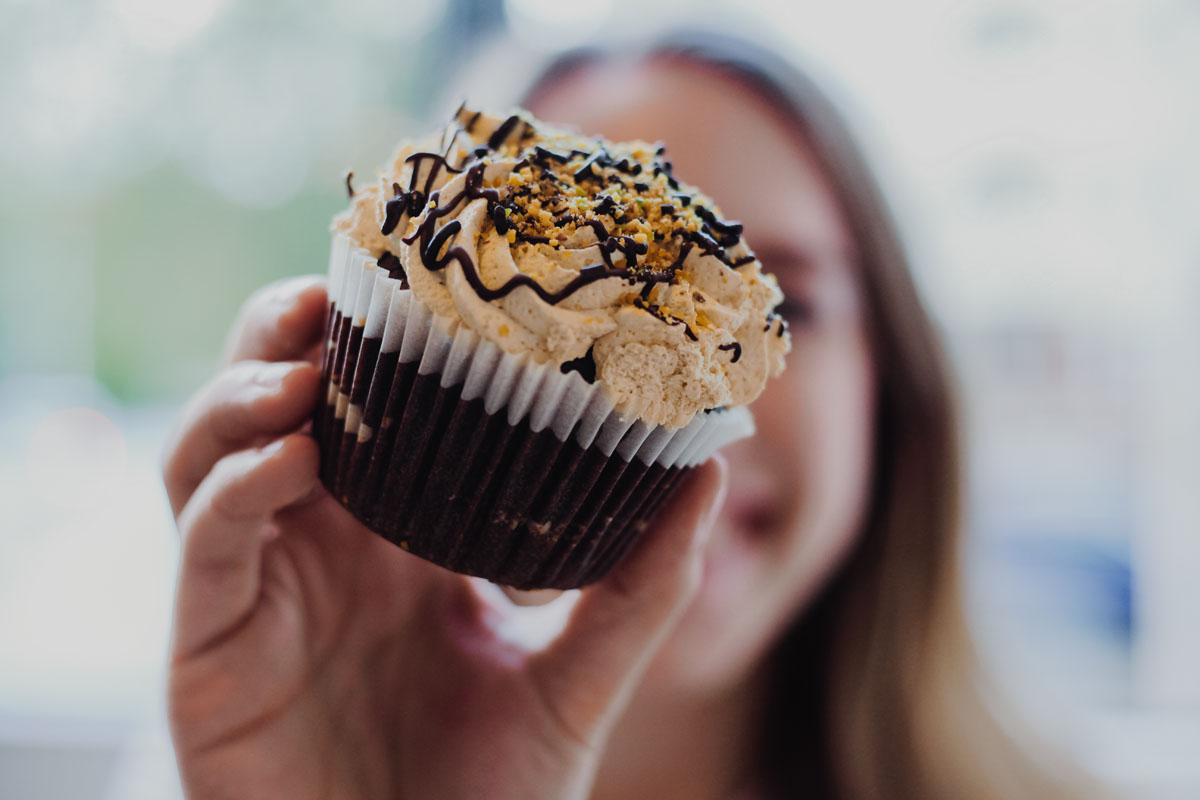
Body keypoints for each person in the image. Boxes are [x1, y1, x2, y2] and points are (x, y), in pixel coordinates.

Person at [161, 30, 1108, 799]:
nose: (677, 374)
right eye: (570, 273)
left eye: (789, 309)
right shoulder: (218, 759)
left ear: (892, 388)